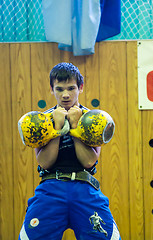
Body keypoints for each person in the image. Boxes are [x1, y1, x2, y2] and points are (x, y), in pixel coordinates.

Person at [19, 62, 121, 240]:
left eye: (71, 88)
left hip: (84, 187)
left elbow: (89, 161)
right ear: (51, 89)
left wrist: (75, 127)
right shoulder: (41, 120)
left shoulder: (94, 118)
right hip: (51, 188)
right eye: (59, 89)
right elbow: (44, 162)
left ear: (80, 87)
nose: (65, 95)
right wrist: (57, 128)